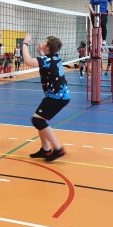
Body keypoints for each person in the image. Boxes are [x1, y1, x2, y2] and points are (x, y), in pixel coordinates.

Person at [22, 33, 70, 162]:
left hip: (57, 97)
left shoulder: (46, 60)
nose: (42, 41)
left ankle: (58, 149)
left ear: (48, 47)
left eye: (44, 41)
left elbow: (28, 61)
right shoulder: (54, 57)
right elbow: (47, 62)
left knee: (37, 120)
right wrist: (41, 53)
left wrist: (25, 43)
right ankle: (45, 149)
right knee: (39, 118)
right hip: (59, 95)